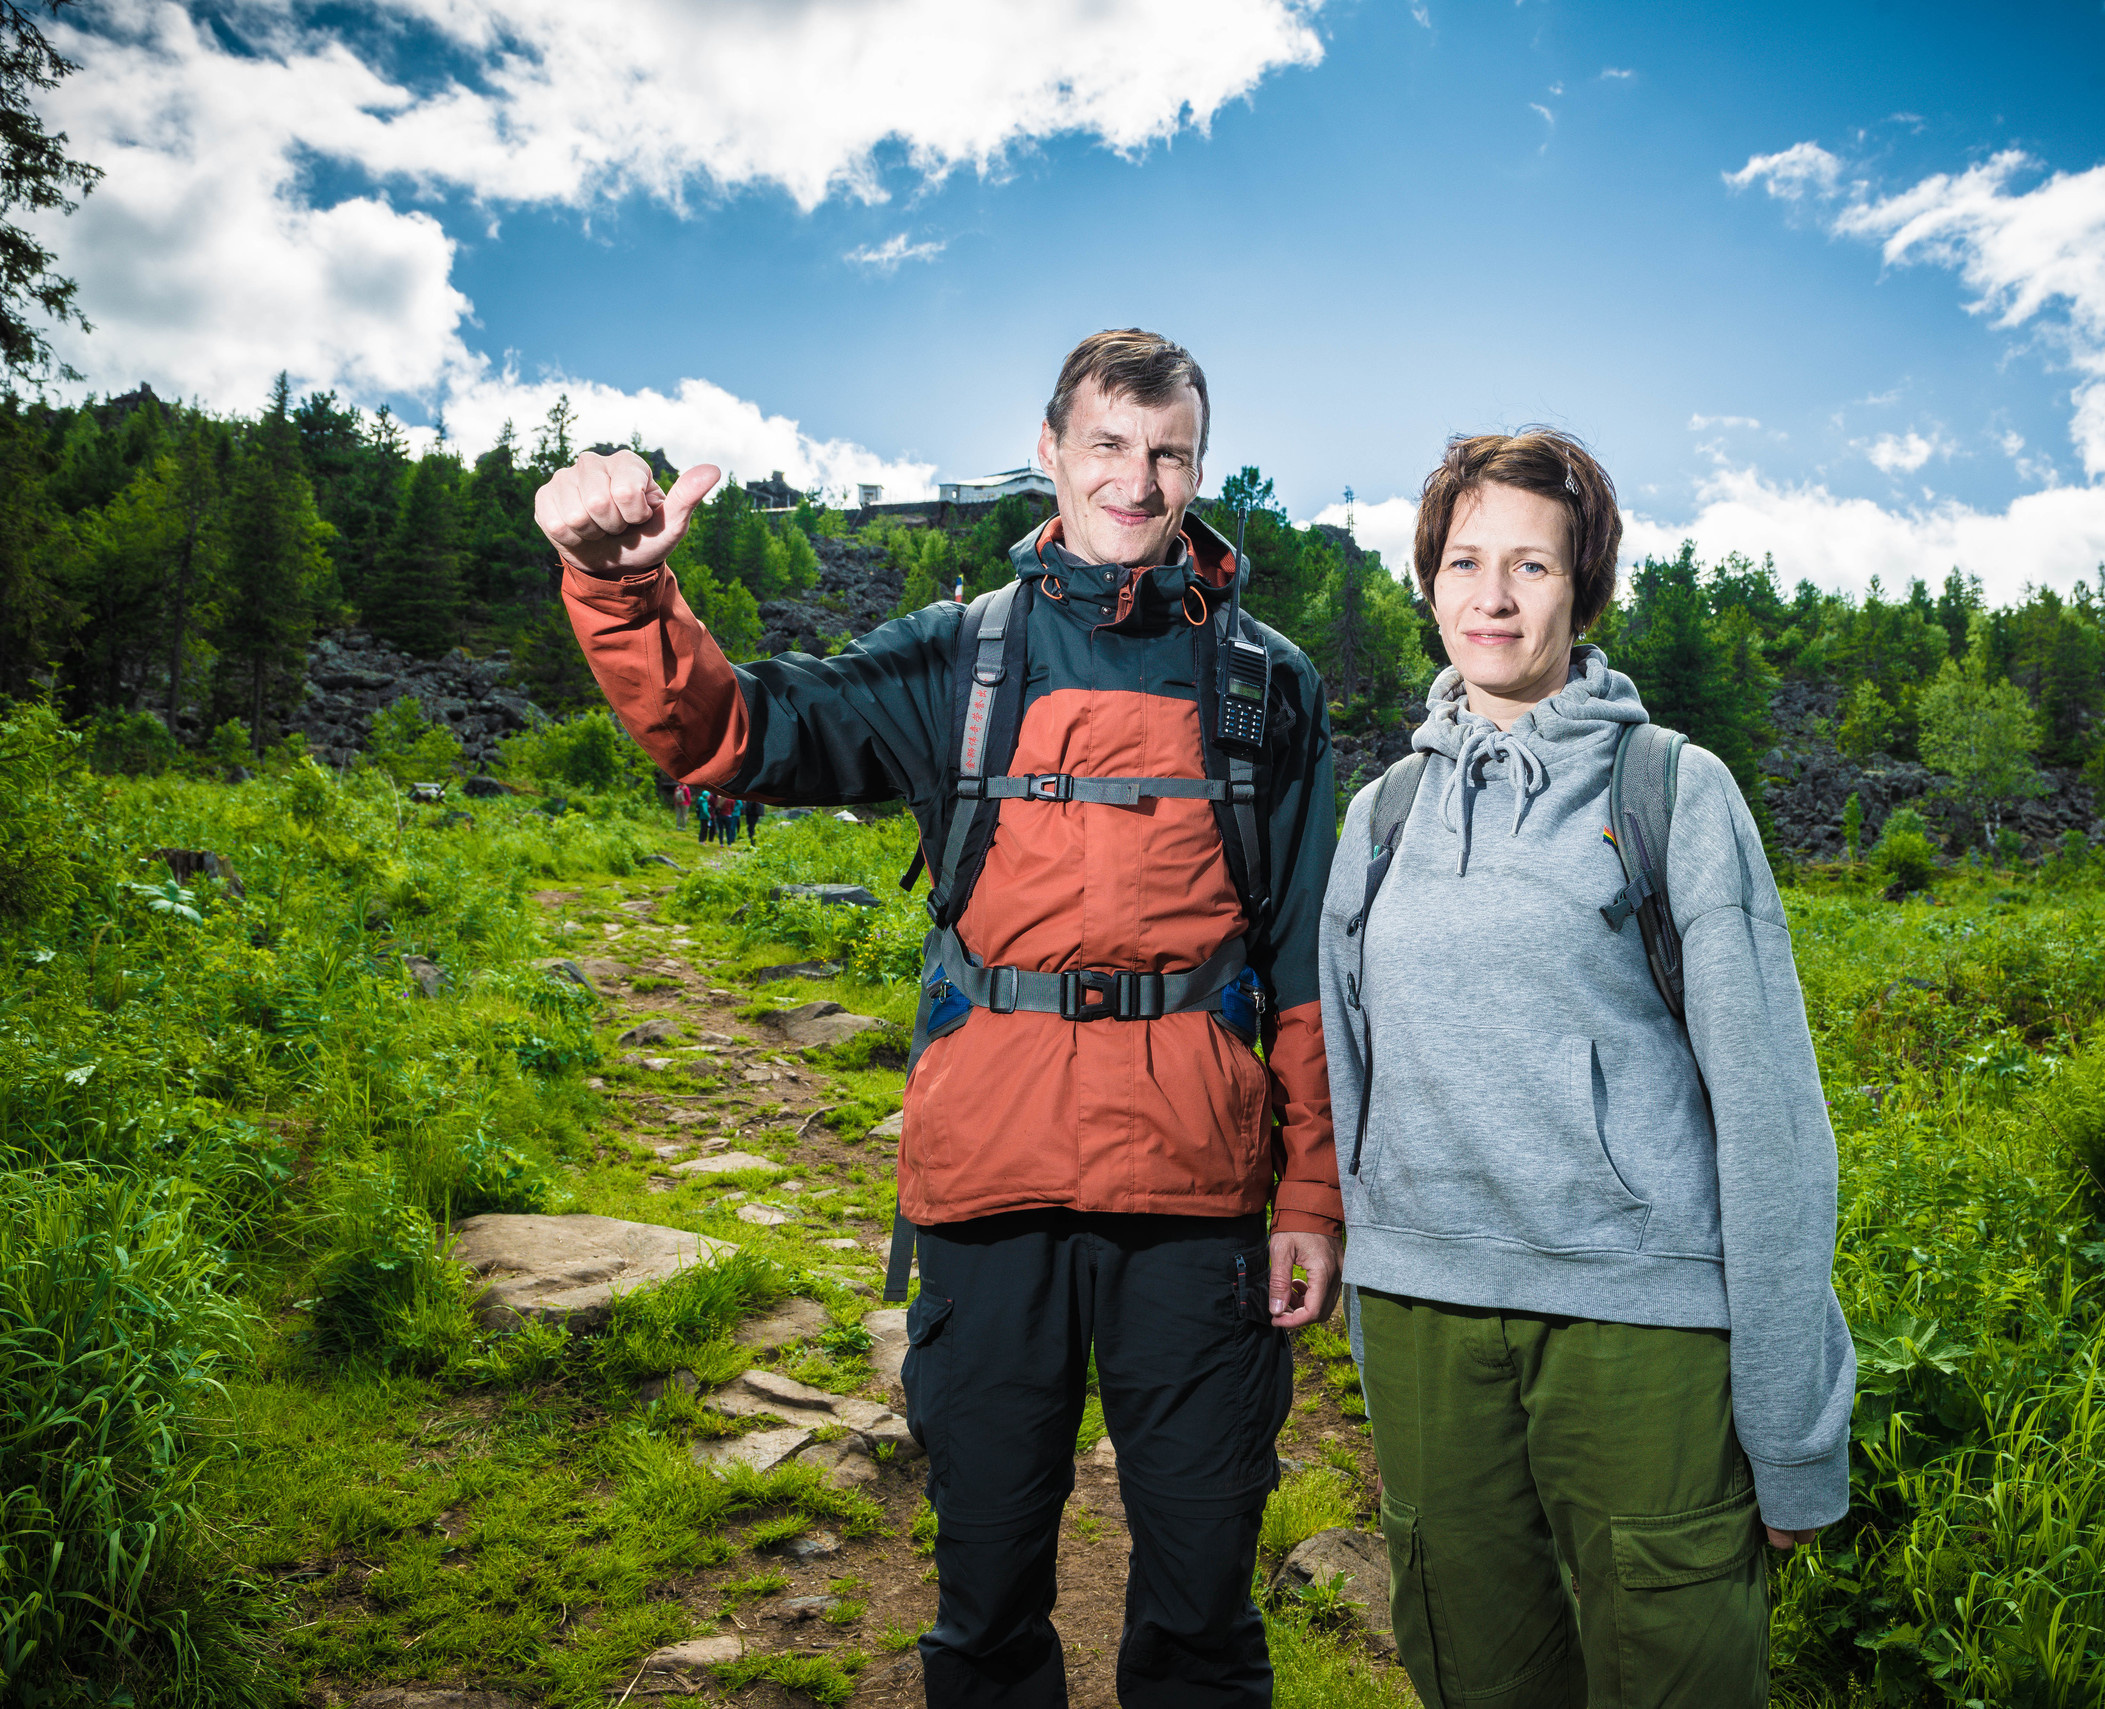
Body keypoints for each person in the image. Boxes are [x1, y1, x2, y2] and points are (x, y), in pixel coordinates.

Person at [534, 329, 1342, 1709]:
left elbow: (1308, 965)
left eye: (1169, 454)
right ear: (1050, 450)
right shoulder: (954, 661)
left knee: (1205, 1621)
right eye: (1109, 446)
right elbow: (729, 734)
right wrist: (623, 592)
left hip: (1202, 1209)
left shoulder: (1270, 690)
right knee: (984, 1608)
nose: (1138, 482)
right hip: (989, 1195)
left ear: (1198, 468)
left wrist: (1311, 1196)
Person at [1318, 430, 1854, 1709]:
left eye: (1530, 565)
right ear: (1427, 580)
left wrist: (1790, 1434)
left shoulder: (1671, 788)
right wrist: (1370, 1300)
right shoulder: (1382, 813)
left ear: (1584, 585)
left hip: (1642, 1334)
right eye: (1463, 560)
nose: (1491, 595)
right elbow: (1350, 1082)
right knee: (1475, 1676)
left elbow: (1773, 1123)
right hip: (1424, 1322)